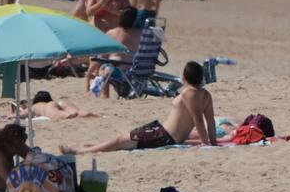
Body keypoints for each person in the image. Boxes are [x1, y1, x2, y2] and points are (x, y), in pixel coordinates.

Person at [64, 61, 217, 152]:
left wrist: (205, 144)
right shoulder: (206, 95)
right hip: (164, 133)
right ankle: (97, 146)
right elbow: (210, 123)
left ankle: (81, 151)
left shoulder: (188, 93)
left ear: (184, 78)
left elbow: (198, 119)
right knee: (127, 137)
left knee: (122, 139)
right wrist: (213, 143)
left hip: (164, 136)